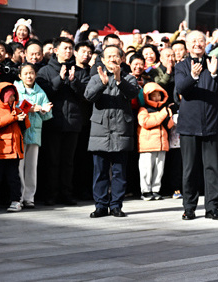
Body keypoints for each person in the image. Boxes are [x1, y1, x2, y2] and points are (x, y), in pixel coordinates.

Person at [175, 30, 218, 220]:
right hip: (189, 124)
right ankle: (189, 207)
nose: (197, 44)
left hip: (212, 123)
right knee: (189, 168)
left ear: (206, 43)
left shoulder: (214, 62)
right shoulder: (181, 66)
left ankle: (212, 208)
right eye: (193, 41)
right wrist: (192, 76)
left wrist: (215, 73)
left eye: (200, 40)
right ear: (187, 44)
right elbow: (181, 89)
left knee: (212, 168)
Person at [84, 45, 140, 219]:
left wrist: (118, 80)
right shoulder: (95, 78)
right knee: (99, 171)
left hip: (121, 130)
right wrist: (102, 84)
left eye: (116, 56)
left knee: (119, 172)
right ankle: (100, 205)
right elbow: (88, 97)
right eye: (108, 56)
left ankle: (116, 205)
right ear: (103, 59)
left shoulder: (129, 78)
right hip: (100, 130)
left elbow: (132, 94)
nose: (112, 59)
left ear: (122, 59)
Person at [36, 37, 89, 206]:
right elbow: (43, 93)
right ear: (56, 50)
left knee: (68, 162)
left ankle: (67, 193)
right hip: (52, 122)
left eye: (70, 48)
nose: (68, 51)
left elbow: (86, 94)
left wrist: (73, 81)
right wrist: (59, 79)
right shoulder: (45, 71)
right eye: (65, 48)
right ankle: (51, 194)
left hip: (73, 122)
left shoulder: (79, 70)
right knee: (52, 161)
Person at [0, 82, 29, 213]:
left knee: (13, 178)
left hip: (14, 151)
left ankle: (16, 201)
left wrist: (23, 117)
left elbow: (27, 125)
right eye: (10, 96)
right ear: (2, 96)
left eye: (14, 96)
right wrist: (13, 117)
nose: (13, 99)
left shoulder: (17, 109)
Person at [14, 64, 53, 209]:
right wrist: (31, 108)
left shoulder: (40, 92)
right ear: (20, 76)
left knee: (31, 167)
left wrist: (44, 110)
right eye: (26, 73)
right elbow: (13, 108)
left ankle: (29, 197)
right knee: (19, 166)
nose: (29, 76)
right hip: (20, 132)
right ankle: (18, 196)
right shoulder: (16, 89)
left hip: (35, 133)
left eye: (31, 73)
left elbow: (47, 116)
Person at [137, 82, 173, 201]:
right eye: (154, 95)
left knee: (159, 168)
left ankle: (155, 189)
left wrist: (170, 115)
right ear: (147, 96)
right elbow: (146, 123)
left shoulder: (164, 109)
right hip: (148, 144)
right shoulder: (143, 109)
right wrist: (163, 114)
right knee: (146, 168)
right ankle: (145, 190)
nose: (157, 98)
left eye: (159, 95)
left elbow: (169, 126)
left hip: (162, 144)